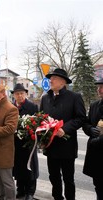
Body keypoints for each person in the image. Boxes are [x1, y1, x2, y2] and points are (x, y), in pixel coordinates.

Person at [40, 68, 86, 200]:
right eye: (50, 78)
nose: (51, 80)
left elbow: (81, 118)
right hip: (51, 146)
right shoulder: (45, 98)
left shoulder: (74, 97)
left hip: (67, 146)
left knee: (68, 179)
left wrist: (65, 129)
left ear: (63, 82)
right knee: (53, 177)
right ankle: (57, 198)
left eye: (54, 78)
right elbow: (41, 119)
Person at [11, 83, 39, 200]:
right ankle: (20, 190)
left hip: (29, 143)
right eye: (17, 94)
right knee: (18, 167)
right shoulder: (11, 107)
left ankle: (30, 192)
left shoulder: (32, 107)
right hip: (15, 143)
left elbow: (37, 124)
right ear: (14, 95)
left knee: (30, 168)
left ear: (26, 94)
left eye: (22, 93)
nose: (20, 96)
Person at [82, 78, 103, 200]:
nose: (99, 90)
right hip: (96, 154)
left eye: (102, 87)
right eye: (98, 87)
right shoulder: (94, 105)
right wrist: (89, 129)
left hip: (99, 145)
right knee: (98, 186)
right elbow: (86, 123)